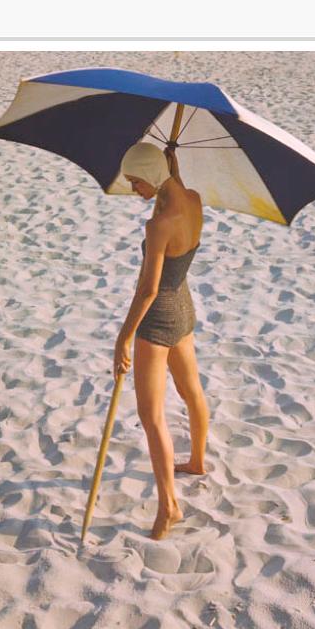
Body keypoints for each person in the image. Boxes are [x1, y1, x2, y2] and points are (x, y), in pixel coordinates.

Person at [113, 142, 210, 540]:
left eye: (136, 181)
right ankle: (198, 461)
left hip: (157, 322)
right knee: (191, 392)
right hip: (185, 309)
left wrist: (124, 338)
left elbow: (148, 290)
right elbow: (175, 190)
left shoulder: (157, 225)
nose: (134, 190)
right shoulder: (192, 200)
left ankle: (168, 506)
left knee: (152, 416)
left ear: (151, 176)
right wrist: (171, 168)